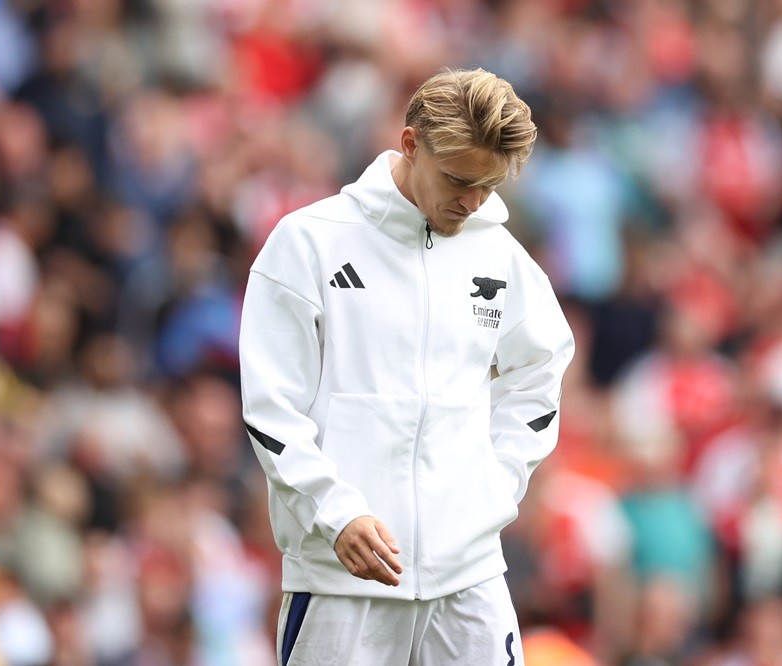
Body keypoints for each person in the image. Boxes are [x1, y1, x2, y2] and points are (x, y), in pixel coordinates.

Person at [239, 67, 575, 665]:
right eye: (457, 179)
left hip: (470, 578)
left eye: (490, 185)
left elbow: (540, 376)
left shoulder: (500, 254)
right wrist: (335, 514)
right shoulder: (308, 242)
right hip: (342, 580)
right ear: (411, 144)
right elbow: (271, 408)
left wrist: (494, 489)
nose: (472, 202)